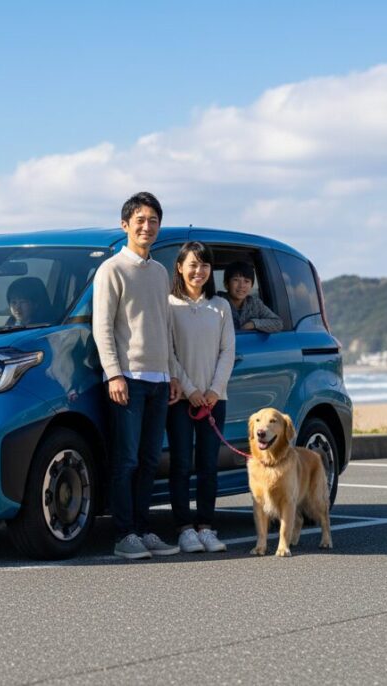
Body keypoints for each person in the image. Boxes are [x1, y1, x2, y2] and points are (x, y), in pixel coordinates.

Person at [93, 191, 182, 560]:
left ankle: (144, 530)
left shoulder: (161, 272)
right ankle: (124, 533)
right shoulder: (111, 269)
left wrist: (173, 373)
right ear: (125, 225)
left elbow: (165, 326)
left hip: (160, 381)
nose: (147, 227)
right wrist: (114, 374)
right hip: (128, 377)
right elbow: (102, 326)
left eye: (154, 221)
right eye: (140, 220)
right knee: (126, 459)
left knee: (149, 459)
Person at [166, 242, 235, 553]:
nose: (199, 271)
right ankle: (184, 528)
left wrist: (212, 391)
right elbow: (168, 352)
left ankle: (206, 526)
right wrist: (192, 390)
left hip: (214, 399)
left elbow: (227, 351)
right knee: (181, 463)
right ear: (180, 266)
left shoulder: (220, 306)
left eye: (205, 265)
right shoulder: (168, 305)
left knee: (208, 464)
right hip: (181, 397)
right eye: (192, 265)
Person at [223, 261, 282, 333]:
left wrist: (253, 324)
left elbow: (278, 323)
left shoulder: (254, 304)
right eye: (236, 280)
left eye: (246, 281)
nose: (242, 285)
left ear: (251, 286)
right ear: (226, 284)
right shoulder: (216, 303)